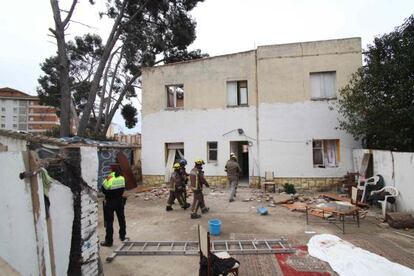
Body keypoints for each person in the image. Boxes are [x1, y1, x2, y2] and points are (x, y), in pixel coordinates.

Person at [100, 164, 127, 247]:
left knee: (109, 222)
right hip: (119, 201)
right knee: (121, 219)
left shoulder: (109, 178)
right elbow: (123, 189)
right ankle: (122, 236)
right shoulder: (122, 178)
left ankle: (109, 241)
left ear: (112, 170)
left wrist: (106, 180)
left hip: (110, 203)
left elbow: (103, 189)